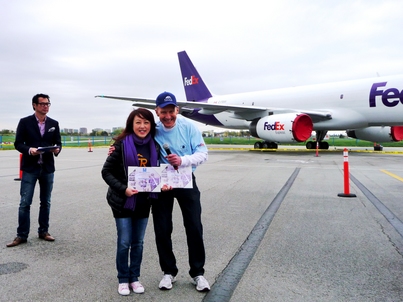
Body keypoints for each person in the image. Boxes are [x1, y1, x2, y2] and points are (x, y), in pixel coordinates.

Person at [101, 108, 171, 296]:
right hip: (123, 201)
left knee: (138, 243)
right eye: (138, 122)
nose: (142, 126)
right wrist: (123, 189)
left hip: (144, 201)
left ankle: (135, 277)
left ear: (151, 125)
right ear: (131, 124)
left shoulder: (154, 146)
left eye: (146, 122)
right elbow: (106, 172)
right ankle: (123, 279)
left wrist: (163, 184)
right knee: (125, 242)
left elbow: (158, 173)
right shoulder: (121, 144)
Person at [152, 91, 210, 292]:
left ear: (177, 109)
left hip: (185, 178)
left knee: (194, 225)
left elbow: (203, 153)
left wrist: (183, 160)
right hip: (162, 181)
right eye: (163, 112)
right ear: (156, 111)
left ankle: (198, 273)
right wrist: (115, 147)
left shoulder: (188, 127)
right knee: (162, 227)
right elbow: (134, 139)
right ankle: (168, 272)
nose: (168, 116)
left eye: (171, 111)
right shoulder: (154, 129)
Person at [7, 93, 61, 247]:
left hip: (47, 168)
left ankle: (43, 231)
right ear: (34, 105)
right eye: (43, 104)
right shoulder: (25, 122)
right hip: (30, 168)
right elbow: (18, 143)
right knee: (25, 202)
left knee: (46, 202)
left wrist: (57, 150)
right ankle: (21, 235)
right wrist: (29, 150)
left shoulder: (54, 123)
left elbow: (58, 142)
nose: (46, 106)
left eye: (48, 104)